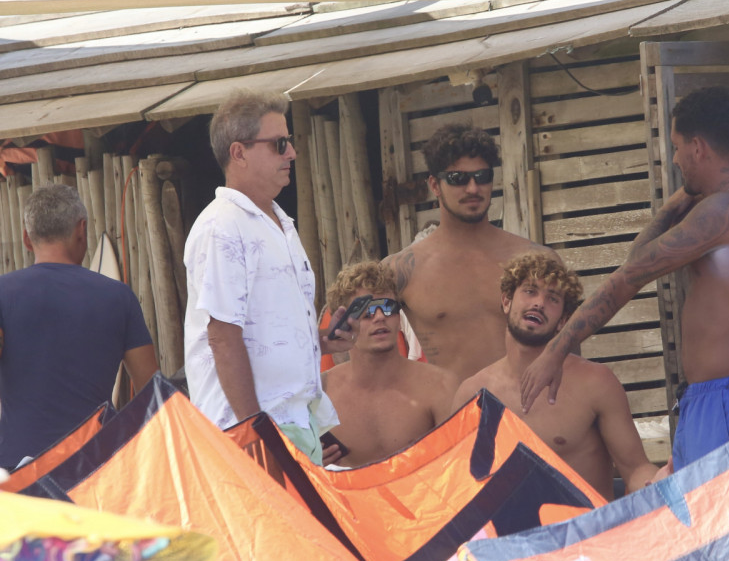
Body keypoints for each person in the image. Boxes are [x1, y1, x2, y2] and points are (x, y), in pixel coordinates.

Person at [520, 86, 729, 472]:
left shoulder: (723, 211)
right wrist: (679, 200)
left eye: (679, 146)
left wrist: (556, 349)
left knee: (718, 527)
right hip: (723, 399)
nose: (677, 158)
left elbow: (629, 276)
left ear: (698, 147)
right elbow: (638, 260)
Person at [183, 90, 352, 465]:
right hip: (246, 433)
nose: (291, 152)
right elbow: (223, 337)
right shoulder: (222, 226)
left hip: (291, 423)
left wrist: (319, 341)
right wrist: (254, 434)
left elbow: (262, 332)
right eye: (279, 144)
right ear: (239, 153)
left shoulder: (278, 222)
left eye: (289, 142)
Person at [454, 252, 661, 499]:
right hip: (511, 537)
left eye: (552, 298)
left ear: (563, 320)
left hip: (586, 533)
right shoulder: (473, 394)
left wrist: (658, 484)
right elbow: (457, 485)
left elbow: (636, 468)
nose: (539, 303)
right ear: (507, 301)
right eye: (530, 291)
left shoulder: (596, 383)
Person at [0, 185, 157, 470]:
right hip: (95, 465)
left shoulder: (2, 293)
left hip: (17, 469)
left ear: (26, 238)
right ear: (81, 230)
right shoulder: (118, 297)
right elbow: (153, 392)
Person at [383, 124, 554, 382]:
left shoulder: (537, 260)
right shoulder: (401, 270)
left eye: (482, 176)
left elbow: (568, 351)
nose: (473, 188)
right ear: (435, 185)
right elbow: (361, 353)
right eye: (458, 179)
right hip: (456, 416)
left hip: (530, 413)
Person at [320, 261, 458, 467]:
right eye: (366, 311)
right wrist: (310, 464)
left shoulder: (441, 386)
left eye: (388, 308)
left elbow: (460, 467)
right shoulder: (321, 392)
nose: (379, 318)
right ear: (342, 320)